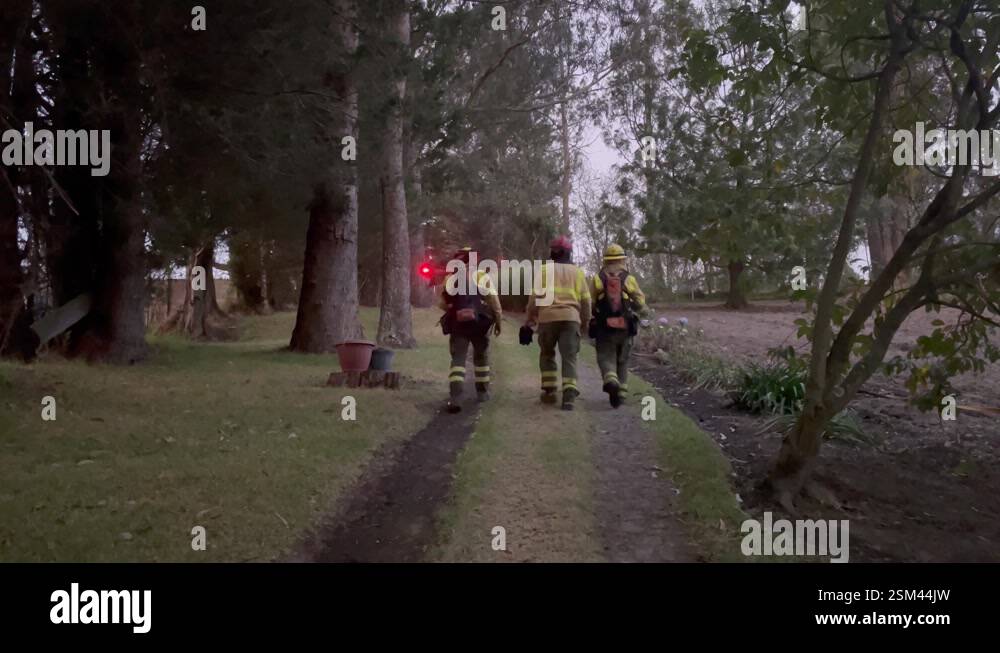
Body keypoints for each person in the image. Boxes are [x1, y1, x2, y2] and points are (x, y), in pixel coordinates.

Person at [524, 236, 590, 411]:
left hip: (547, 319)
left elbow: (533, 298)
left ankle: (549, 392)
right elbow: (586, 301)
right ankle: (569, 394)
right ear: (569, 253)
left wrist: (530, 319)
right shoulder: (578, 273)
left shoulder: (544, 271)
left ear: (552, 253)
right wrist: (585, 322)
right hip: (571, 319)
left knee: (547, 354)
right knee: (569, 356)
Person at [439, 247, 502, 413]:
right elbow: (494, 301)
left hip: (458, 326)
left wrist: (455, 309)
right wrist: (498, 321)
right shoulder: (481, 276)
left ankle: (455, 397)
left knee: (458, 361)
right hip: (479, 325)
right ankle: (482, 393)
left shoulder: (450, 277)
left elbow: (442, 303)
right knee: (481, 359)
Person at [589, 243, 649, 408]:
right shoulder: (629, 279)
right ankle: (621, 395)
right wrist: (638, 311)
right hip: (625, 326)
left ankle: (610, 379)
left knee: (605, 356)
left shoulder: (597, 279)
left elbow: (590, 302)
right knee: (623, 360)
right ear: (622, 259)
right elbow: (640, 301)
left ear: (605, 260)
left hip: (604, 327)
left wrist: (593, 316)